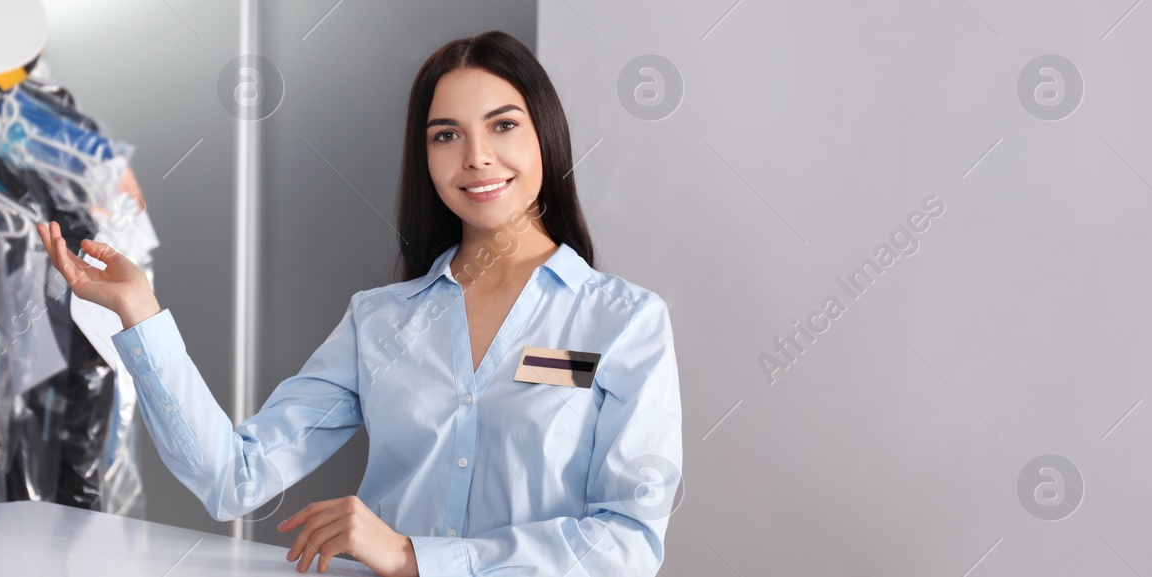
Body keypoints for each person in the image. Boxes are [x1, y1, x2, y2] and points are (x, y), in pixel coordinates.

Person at [36, 30, 682, 577]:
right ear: (425, 156)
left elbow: (628, 541)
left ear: (545, 131)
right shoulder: (380, 320)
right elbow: (234, 477)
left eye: (503, 125)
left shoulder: (623, 321)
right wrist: (140, 310)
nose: (477, 156)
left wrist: (414, 556)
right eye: (445, 135)